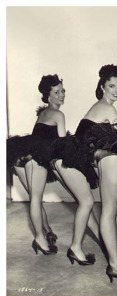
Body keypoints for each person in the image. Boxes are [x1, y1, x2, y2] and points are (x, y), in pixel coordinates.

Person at [59, 64, 117, 283]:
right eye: (112, 86)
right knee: (108, 210)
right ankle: (115, 265)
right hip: (77, 161)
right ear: (102, 86)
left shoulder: (103, 106)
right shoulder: (108, 109)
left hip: (80, 159)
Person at [7, 74, 66, 254]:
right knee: (36, 197)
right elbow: (63, 143)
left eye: (63, 90)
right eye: (56, 92)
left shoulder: (43, 113)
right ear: (48, 95)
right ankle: (39, 239)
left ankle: (46, 231)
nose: (62, 95)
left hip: (19, 153)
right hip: (33, 157)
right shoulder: (58, 114)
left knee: (35, 197)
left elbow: (37, 137)